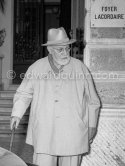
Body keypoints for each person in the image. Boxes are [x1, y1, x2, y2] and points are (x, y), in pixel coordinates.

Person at [10, 27, 100, 166]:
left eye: (67, 48)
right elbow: (24, 93)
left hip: (72, 131)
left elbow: (93, 101)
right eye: (60, 49)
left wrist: (92, 126)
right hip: (45, 130)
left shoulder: (80, 68)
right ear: (50, 50)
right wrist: (16, 114)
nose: (65, 53)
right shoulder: (36, 68)